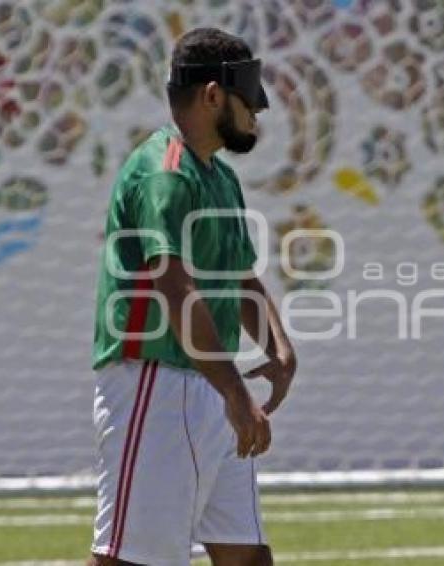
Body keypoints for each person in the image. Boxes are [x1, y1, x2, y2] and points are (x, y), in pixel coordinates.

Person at [89, 28, 296, 566]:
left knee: (247, 556)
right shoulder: (165, 175)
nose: (257, 112)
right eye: (247, 97)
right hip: (156, 383)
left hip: (208, 384)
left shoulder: (220, 177)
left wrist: (278, 346)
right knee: (130, 559)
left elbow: (242, 277)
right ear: (211, 95)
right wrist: (234, 391)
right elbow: (176, 291)